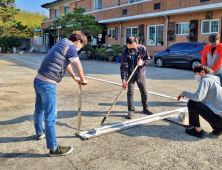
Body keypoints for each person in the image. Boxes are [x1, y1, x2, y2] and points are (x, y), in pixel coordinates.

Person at [34, 31, 88, 157]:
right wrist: (83, 79)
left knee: (38, 109)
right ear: (78, 41)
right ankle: (53, 148)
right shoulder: (72, 47)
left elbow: (66, 64)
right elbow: (77, 65)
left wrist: (74, 77)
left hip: (38, 80)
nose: (80, 48)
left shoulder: (62, 43)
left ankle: (39, 132)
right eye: (82, 45)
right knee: (50, 116)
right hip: (48, 84)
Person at [178, 64, 222, 138]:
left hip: (219, 120)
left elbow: (197, 97)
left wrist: (184, 93)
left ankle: (197, 131)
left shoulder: (205, 80)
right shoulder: (214, 79)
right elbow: (202, 98)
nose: (196, 77)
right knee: (203, 104)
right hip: (220, 119)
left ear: (202, 72)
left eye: (196, 74)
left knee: (192, 103)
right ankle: (218, 129)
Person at [120, 36, 153, 119]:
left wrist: (142, 63)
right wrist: (124, 79)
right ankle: (131, 110)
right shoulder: (125, 52)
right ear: (127, 44)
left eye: (134, 47)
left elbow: (148, 59)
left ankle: (145, 108)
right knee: (130, 92)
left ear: (137, 43)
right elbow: (124, 66)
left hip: (140, 73)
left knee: (143, 91)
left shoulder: (142, 48)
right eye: (130, 47)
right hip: (130, 75)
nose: (132, 49)